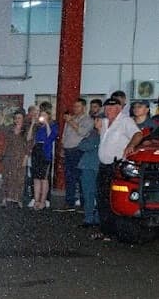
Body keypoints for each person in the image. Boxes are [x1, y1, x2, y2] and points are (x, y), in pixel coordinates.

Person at [94, 93, 140, 241]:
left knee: (113, 199)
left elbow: (138, 134)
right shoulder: (105, 122)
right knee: (102, 197)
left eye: (111, 107)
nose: (108, 110)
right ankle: (105, 230)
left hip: (116, 166)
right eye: (106, 107)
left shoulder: (125, 121)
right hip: (104, 165)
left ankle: (114, 232)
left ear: (119, 108)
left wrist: (131, 145)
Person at [57, 99, 91, 210]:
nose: (75, 108)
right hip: (68, 151)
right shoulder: (71, 118)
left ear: (84, 108)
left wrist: (71, 121)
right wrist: (62, 147)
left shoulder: (87, 120)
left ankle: (83, 203)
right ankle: (69, 201)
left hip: (78, 151)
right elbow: (64, 134)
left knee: (81, 178)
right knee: (69, 177)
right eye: (74, 106)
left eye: (78, 106)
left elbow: (82, 132)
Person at [28, 102, 58, 211]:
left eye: (45, 115)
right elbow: (29, 138)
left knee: (44, 179)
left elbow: (51, 137)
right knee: (36, 178)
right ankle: (36, 200)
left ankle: (43, 201)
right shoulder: (37, 126)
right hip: (37, 151)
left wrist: (47, 124)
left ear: (48, 116)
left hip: (46, 152)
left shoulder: (53, 125)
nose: (42, 117)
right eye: (42, 115)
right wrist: (32, 124)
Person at [0, 109, 29, 208]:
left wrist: (26, 158)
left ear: (23, 119)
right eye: (15, 118)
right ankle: (4, 199)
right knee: (6, 178)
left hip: (20, 157)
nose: (17, 120)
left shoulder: (26, 130)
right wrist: (3, 116)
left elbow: (29, 144)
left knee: (19, 179)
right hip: (9, 156)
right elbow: (0, 127)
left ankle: (18, 199)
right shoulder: (10, 128)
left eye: (19, 118)